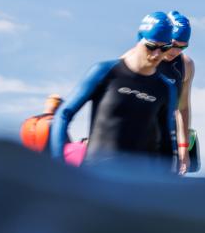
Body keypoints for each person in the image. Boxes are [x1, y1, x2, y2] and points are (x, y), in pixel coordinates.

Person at [49, 12, 177, 170]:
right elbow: (63, 114)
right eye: (151, 46)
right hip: (97, 176)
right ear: (139, 39)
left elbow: (167, 141)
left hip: (139, 181)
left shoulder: (165, 88)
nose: (157, 54)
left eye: (164, 48)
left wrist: (165, 182)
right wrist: (58, 166)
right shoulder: (106, 72)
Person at [158, 11, 195, 175]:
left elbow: (183, 108)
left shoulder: (186, 65)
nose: (176, 51)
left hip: (167, 135)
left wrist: (183, 149)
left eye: (182, 46)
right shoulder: (144, 59)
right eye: (173, 44)